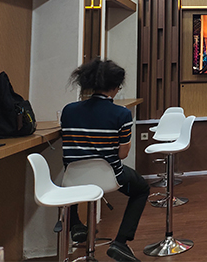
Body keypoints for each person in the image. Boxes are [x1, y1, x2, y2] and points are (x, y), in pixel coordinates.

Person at [60, 58, 149, 262]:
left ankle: (76, 224)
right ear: (116, 87)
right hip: (109, 176)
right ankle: (121, 243)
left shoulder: (68, 110)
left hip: (72, 178)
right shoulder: (122, 114)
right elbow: (122, 154)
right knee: (141, 189)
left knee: (75, 175)